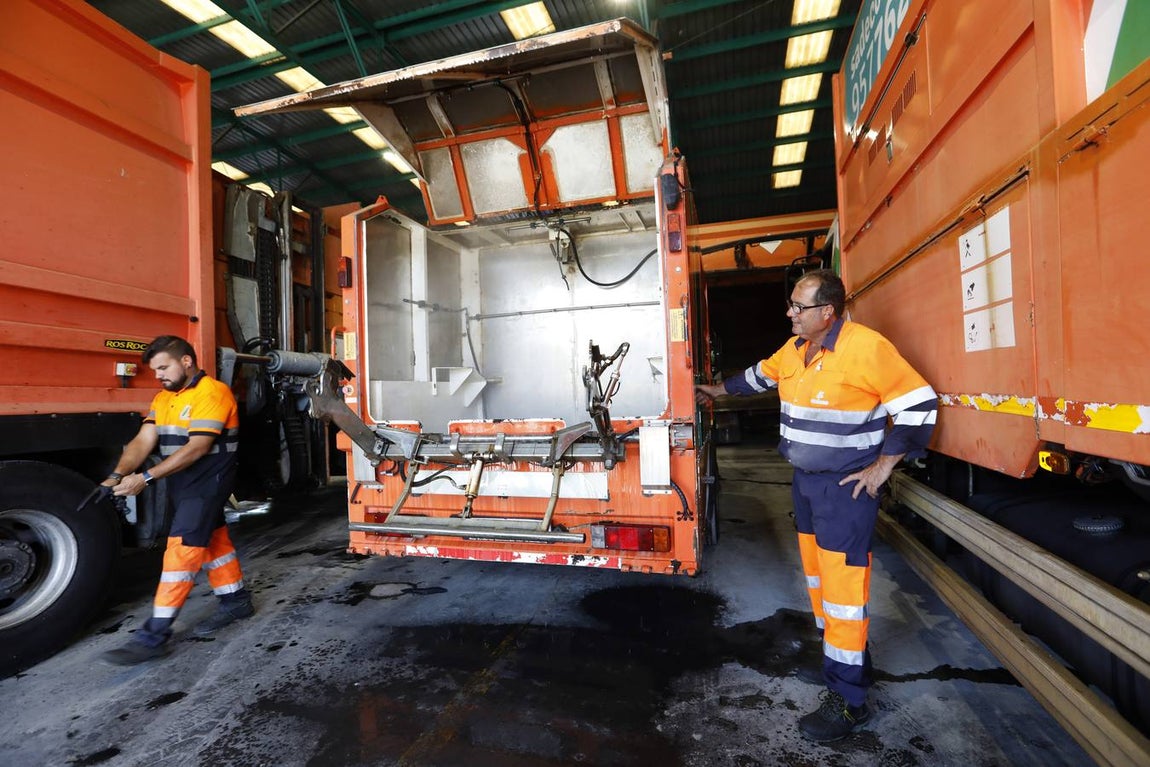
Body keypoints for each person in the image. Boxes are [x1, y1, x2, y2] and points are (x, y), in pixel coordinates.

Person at [696, 269, 937, 742]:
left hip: (844, 490)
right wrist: (715, 391)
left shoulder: (866, 348)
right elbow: (758, 377)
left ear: (828, 311)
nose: (790, 313)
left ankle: (849, 702)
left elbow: (920, 405)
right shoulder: (795, 351)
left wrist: (882, 468)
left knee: (843, 592)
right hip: (805, 483)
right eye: (790, 305)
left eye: (798, 307)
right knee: (818, 580)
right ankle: (841, 663)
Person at [100, 336, 254, 665]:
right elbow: (143, 440)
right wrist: (116, 475)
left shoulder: (212, 392)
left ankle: (153, 635)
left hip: (208, 480)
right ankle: (236, 601)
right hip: (183, 481)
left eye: (163, 367)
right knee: (213, 539)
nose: (158, 375)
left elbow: (198, 447)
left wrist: (145, 478)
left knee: (182, 549)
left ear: (186, 361)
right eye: (155, 370)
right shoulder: (163, 398)